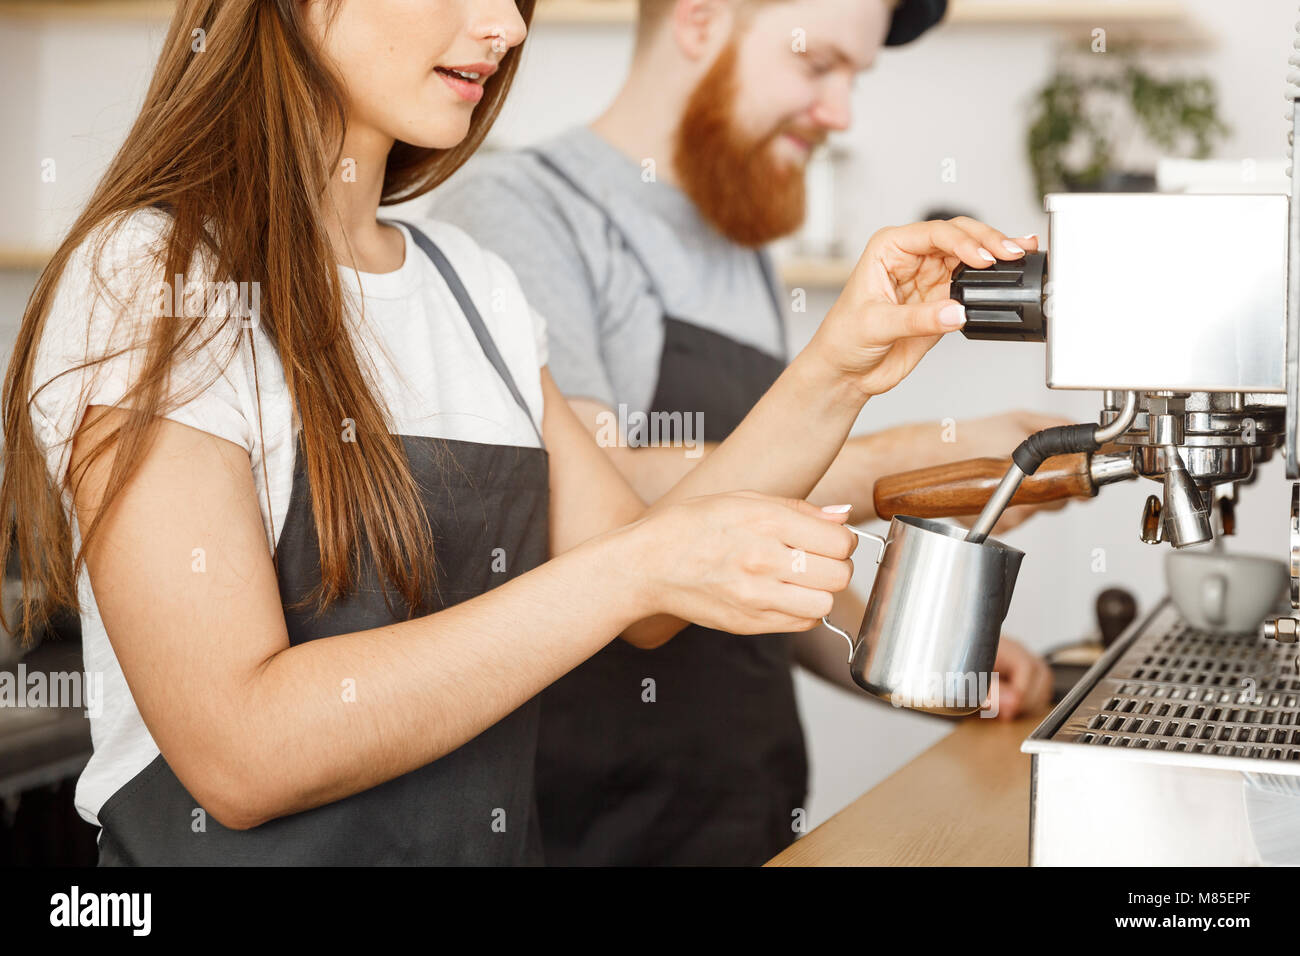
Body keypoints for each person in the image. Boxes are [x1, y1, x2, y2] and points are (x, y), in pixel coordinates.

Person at [0, 0, 1027, 865]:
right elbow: (238, 753)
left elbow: (647, 600)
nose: (502, 26)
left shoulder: (470, 289)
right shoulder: (154, 277)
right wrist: (639, 569)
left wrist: (839, 364)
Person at [434, 0, 1058, 866]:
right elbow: (603, 512)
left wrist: (916, 663)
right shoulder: (518, 217)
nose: (841, 112)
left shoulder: (742, 249)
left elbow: (753, 562)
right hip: (592, 825)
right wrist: (915, 459)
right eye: (817, 66)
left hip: (744, 815)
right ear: (698, 20)